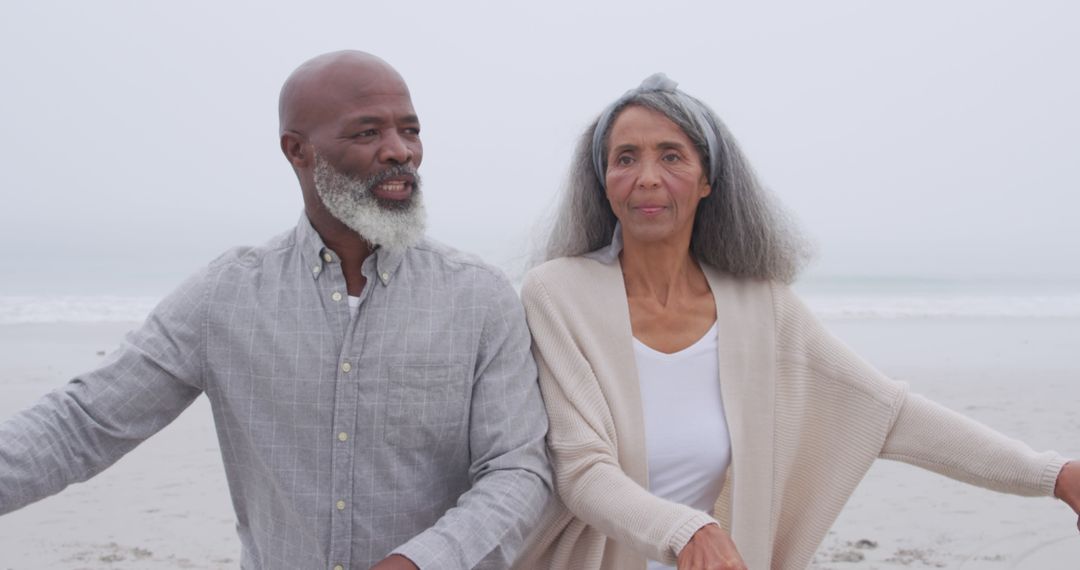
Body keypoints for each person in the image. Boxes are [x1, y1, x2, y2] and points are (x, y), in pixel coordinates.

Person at [0, 50, 552, 570]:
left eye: (410, 129)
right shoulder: (226, 297)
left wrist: (417, 563)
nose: (399, 150)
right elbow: (83, 422)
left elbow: (517, 470)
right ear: (297, 150)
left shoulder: (478, 298)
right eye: (368, 132)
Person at [513, 73, 1080, 570]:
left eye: (672, 155)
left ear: (708, 179)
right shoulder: (557, 294)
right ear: (603, 178)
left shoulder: (761, 307)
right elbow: (581, 468)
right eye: (625, 158)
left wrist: (1053, 476)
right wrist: (688, 531)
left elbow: (889, 414)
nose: (648, 178)